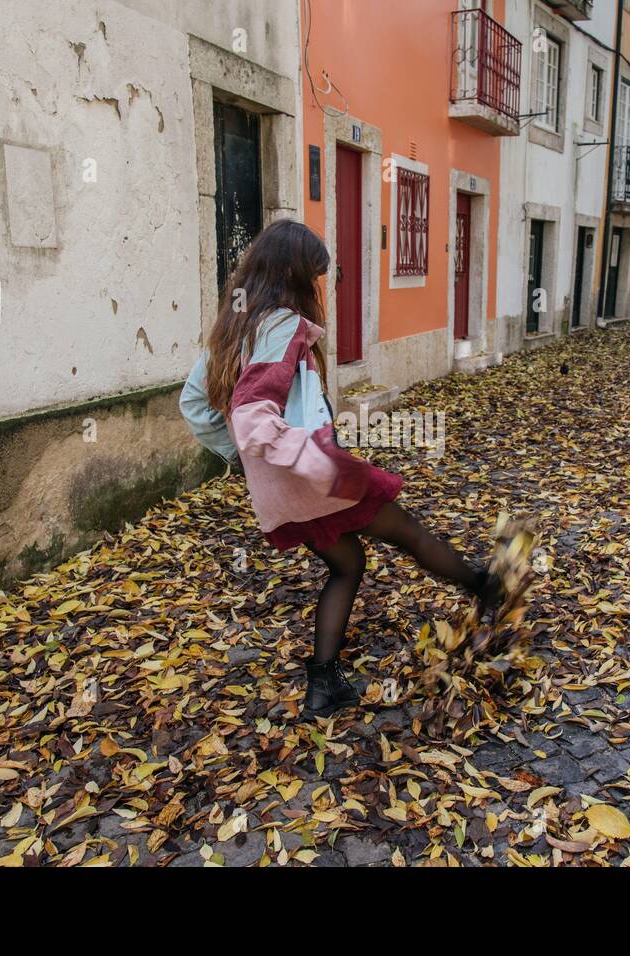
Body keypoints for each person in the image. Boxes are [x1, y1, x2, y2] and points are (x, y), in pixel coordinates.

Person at [180, 220, 502, 717]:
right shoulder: (283, 324)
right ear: (294, 274)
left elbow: (195, 405)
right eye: (314, 275)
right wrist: (311, 461)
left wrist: (251, 464)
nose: (318, 286)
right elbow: (252, 416)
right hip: (313, 475)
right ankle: (486, 587)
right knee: (408, 532)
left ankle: (323, 686)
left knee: (347, 563)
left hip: (279, 488)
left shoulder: (232, 328)